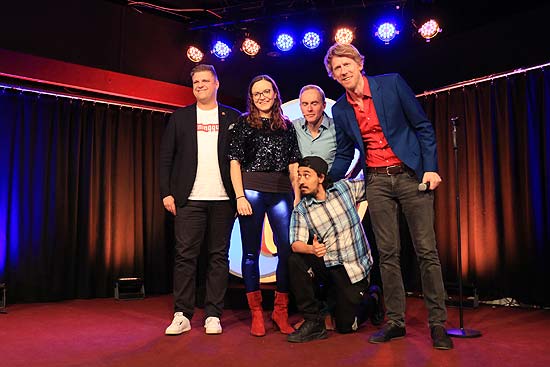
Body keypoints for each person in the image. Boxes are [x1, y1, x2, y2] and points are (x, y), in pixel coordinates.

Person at [324, 43, 454, 350]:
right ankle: (395, 322)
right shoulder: (340, 109)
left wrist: (430, 168)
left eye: (347, 64)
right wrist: (324, 178)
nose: (343, 71)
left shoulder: (391, 83)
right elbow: (345, 153)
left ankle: (438, 324)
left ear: (359, 63)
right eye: (337, 69)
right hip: (377, 181)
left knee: (426, 251)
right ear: (333, 75)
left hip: (410, 174)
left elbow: (422, 127)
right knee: (388, 254)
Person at [159, 64, 240, 336]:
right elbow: (166, 158)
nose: (201, 85)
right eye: (196, 82)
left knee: (219, 257)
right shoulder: (179, 118)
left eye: (206, 81)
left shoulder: (233, 117)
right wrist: (166, 192)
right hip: (188, 198)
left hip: (223, 199)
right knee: (185, 257)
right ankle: (182, 314)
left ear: (217, 84)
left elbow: (241, 160)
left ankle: (213, 314)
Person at [228, 75, 301, 337]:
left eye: (266, 91)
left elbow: (293, 165)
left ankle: (280, 312)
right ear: (251, 96)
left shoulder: (287, 126)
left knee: (287, 252)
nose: (262, 96)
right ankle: (256, 313)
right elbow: (234, 162)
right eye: (256, 93)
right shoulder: (243, 124)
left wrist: (297, 196)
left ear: (274, 93)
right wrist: (239, 197)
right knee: (250, 253)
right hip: (251, 192)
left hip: (282, 192)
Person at [287, 156, 382, 343]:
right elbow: (295, 243)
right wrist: (310, 249)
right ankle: (314, 321)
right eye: (299, 176)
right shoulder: (302, 210)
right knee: (295, 260)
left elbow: (373, 186)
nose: (301, 181)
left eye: (307, 175)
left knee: (346, 327)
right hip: (329, 265)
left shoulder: (344, 189)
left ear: (321, 178)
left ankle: (373, 299)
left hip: (354, 268)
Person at [292, 85, 337, 170]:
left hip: (329, 181)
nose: (309, 109)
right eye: (305, 104)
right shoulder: (294, 127)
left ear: (324, 105)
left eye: (314, 103)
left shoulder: (337, 128)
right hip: (302, 181)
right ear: (300, 106)